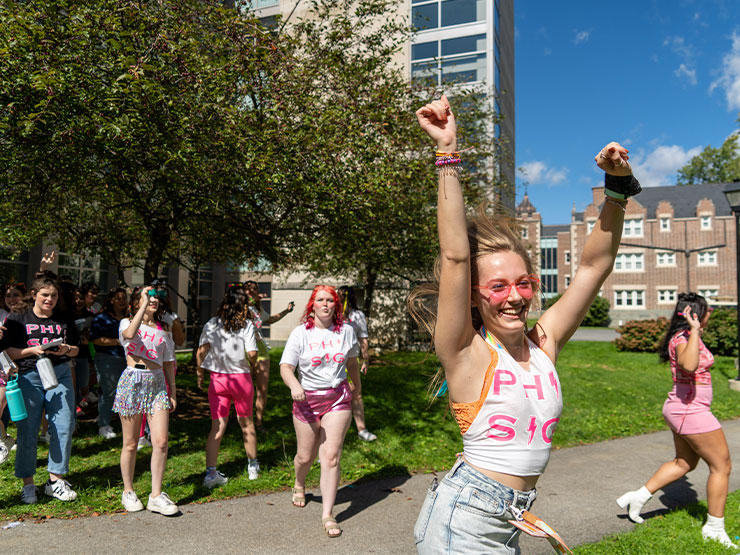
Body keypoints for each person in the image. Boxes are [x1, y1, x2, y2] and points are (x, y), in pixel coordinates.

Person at [408, 95, 636, 553]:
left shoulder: (542, 345)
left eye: (524, 283)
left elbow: (592, 268)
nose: (514, 297)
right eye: (497, 287)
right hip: (465, 520)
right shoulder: (466, 352)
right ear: (473, 294)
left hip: (510, 515)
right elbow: (455, 255)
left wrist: (615, 189)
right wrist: (446, 153)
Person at [616, 293, 735, 548]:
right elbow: (689, 366)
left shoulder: (686, 337)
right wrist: (694, 331)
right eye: (707, 309)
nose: (711, 312)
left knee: (684, 463)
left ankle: (637, 497)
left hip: (684, 409)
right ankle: (714, 527)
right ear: (693, 315)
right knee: (721, 466)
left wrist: (696, 332)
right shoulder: (684, 339)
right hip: (691, 411)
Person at [279, 285, 362, 538]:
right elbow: (285, 367)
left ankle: (327, 514)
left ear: (336, 305)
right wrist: (294, 385)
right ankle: (299, 483)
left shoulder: (346, 332)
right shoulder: (300, 334)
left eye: (330, 300)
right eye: (320, 300)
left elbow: (352, 362)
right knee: (305, 456)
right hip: (306, 400)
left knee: (331, 456)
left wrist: (356, 385)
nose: (325, 304)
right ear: (312, 305)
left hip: (337, 398)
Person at [3, 276, 80, 503]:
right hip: (30, 375)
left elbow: (77, 349)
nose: (49, 299)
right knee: (28, 430)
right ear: (34, 295)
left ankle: (55, 480)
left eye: (53, 296)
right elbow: (8, 351)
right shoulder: (18, 318)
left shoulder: (64, 318)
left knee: (64, 426)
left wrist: (66, 348)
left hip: (60, 373)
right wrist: (32, 350)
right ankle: (28, 484)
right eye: (45, 295)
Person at [114, 285, 178, 515]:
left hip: (158, 383)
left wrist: (173, 392)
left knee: (160, 442)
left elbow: (169, 362)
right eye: (147, 296)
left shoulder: (164, 329)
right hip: (133, 381)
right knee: (131, 443)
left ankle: (156, 495)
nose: (153, 300)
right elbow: (129, 336)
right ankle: (128, 491)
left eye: (155, 297)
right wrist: (141, 306)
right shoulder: (127, 323)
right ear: (136, 302)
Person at [196, 285, 259, 488]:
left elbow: (200, 352)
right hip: (240, 378)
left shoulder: (212, 324)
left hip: (218, 380)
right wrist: (255, 364)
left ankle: (210, 474)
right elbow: (252, 353)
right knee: (246, 423)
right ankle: (252, 466)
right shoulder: (247, 325)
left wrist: (199, 373)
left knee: (217, 426)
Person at [245, 280, 294, 430]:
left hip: (261, 351)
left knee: (262, 389)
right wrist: (254, 299)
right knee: (245, 389)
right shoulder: (240, 306)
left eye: (254, 289)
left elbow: (271, 319)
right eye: (249, 289)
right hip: (243, 352)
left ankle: (258, 422)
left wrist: (287, 310)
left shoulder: (258, 309)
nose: (252, 291)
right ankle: (245, 420)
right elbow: (245, 306)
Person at [337, 285, 376, 441]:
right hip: (333, 360)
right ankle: (333, 433)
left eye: (343, 295)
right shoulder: (334, 314)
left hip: (351, 360)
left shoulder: (357, 315)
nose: (340, 297)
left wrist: (365, 360)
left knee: (355, 393)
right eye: (339, 294)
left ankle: (361, 429)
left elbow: (363, 338)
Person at [89, 288, 129, 439]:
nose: (122, 301)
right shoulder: (101, 318)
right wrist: (119, 342)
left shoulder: (129, 318)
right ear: (111, 300)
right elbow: (97, 339)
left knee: (126, 392)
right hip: (107, 359)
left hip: (127, 359)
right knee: (109, 392)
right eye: (118, 298)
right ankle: (104, 425)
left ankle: (126, 423)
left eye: (124, 298)